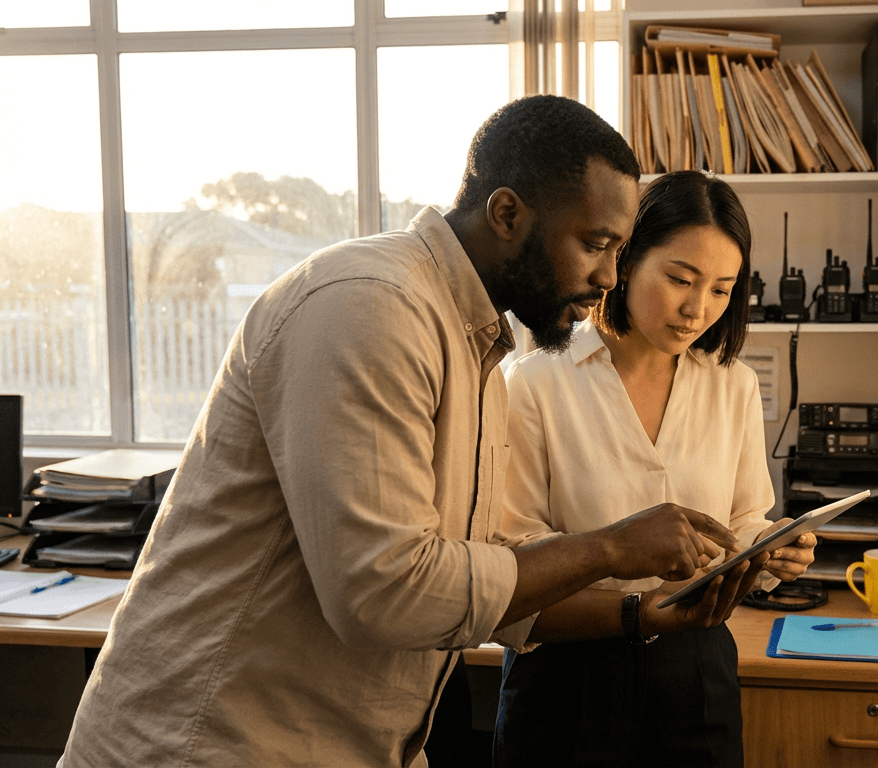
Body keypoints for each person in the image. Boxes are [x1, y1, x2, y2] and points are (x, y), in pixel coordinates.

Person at [58, 97, 750, 768]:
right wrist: (609, 548)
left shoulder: (472, 340)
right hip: (209, 747)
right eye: (595, 244)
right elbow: (388, 591)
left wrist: (637, 616)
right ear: (507, 213)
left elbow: (478, 569)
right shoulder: (370, 306)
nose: (606, 277)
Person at [491, 171, 818, 767]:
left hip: (696, 672)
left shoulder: (732, 385)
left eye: (722, 289)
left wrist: (767, 548)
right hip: (567, 678)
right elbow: (512, 563)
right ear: (625, 260)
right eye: (679, 279)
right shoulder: (535, 383)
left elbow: (743, 517)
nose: (698, 310)